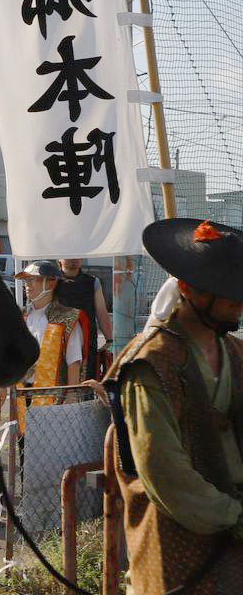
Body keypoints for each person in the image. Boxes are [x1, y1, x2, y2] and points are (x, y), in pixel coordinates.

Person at [102, 218, 243, 594]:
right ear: (186, 289)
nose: (238, 302)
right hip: (174, 540)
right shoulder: (152, 363)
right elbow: (164, 472)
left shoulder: (235, 352)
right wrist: (235, 516)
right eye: (226, 292)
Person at [0, 260, 85, 412]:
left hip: (54, 397)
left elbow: (74, 361)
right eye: (26, 280)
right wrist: (2, 387)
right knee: (23, 435)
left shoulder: (67, 317)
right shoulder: (22, 317)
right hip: (22, 393)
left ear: (51, 284)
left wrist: (72, 396)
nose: (27, 285)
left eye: (33, 280)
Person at [55, 257, 112, 380]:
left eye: (77, 255)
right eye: (68, 255)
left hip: (87, 344)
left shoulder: (93, 282)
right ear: (59, 259)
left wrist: (109, 340)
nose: (74, 259)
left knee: (86, 387)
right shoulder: (51, 281)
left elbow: (102, 312)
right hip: (57, 344)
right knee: (58, 386)